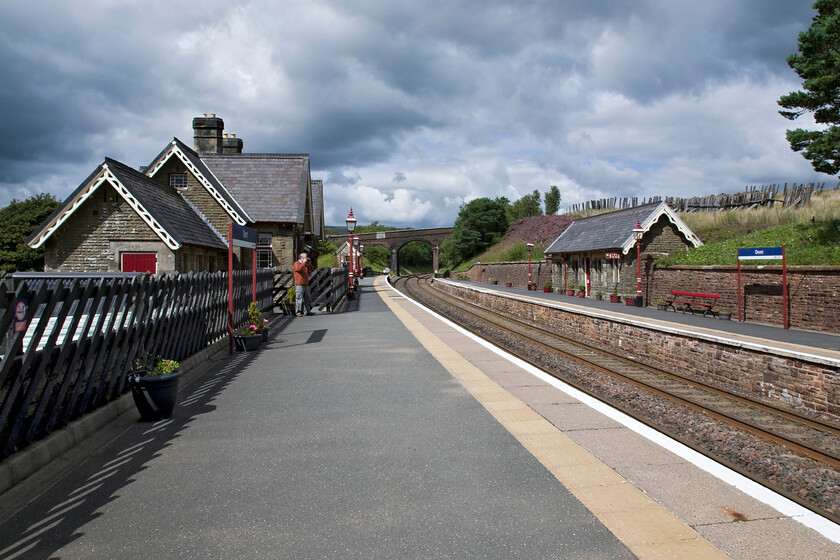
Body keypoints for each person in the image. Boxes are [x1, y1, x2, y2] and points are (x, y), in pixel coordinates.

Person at [293, 252, 315, 316]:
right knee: (299, 298)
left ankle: (307, 310)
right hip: (299, 284)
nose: (306, 259)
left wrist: (309, 264)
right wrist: (303, 263)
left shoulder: (305, 265)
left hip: (306, 283)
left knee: (307, 298)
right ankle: (298, 312)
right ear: (302, 258)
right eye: (305, 257)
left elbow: (312, 269)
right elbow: (298, 269)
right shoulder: (296, 263)